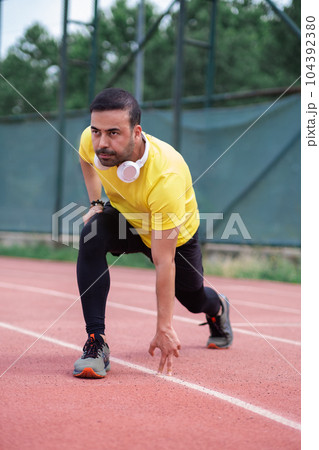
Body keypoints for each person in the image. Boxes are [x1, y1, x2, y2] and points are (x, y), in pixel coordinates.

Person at [73, 88, 233, 379]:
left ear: (136, 132)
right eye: (96, 131)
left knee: (193, 298)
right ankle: (96, 342)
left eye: (113, 133)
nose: (101, 143)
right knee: (90, 235)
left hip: (175, 236)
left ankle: (218, 307)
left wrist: (164, 328)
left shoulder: (165, 176)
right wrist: (96, 203)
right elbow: (85, 158)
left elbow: (164, 262)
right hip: (129, 218)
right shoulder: (91, 140)